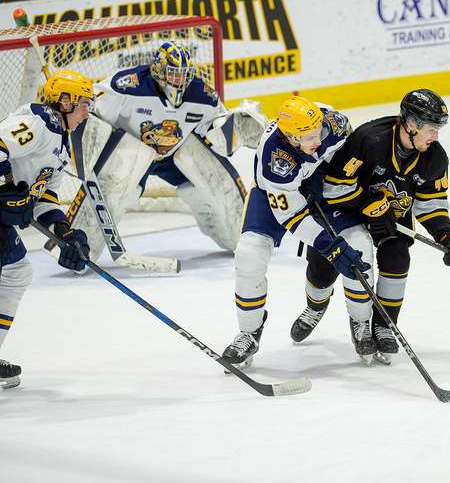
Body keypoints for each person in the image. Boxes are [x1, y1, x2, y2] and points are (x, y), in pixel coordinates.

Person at [290, 89, 450, 363]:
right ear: (411, 124)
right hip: (346, 209)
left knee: (398, 256)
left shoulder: (435, 158)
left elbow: (430, 203)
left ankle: (383, 325)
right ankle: (315, 306)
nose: (436, 136)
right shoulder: (369, 139)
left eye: (437, 129)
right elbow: (334, 186)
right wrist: (367, 203)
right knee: (324, 265)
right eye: (431, 128)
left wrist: (447, 236)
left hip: (389, 216)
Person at [67, 40, 267, 261]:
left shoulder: (203, 96)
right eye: (173, 73)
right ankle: (77, 245)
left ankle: (239, 236)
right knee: (116, 191)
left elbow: (216, 133)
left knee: (207, 190)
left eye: (183, 74)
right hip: (132, 155)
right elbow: (90, 109)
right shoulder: (127, 85)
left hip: (174, 156)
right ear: (159, 70)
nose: (179, 80)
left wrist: (237, 127)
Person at [222, 95, 375, 368]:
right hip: (274, 197)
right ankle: (248, 333)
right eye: (308, 137)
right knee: (249, 255)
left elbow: (349, 156)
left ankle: (361, 321)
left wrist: (338, 184)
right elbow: (293, 216)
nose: (317, 140)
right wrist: (330, 246)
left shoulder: (333, 124)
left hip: (323, 188)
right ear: (290, 137)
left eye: (319, 132)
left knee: (360, 245)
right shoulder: (275, 160)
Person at [0, 70, 94, 388]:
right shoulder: (39, 121)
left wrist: (66, 233)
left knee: (16, 271)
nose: (86, 112)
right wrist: (5, 188)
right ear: (64, 101)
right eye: (83, 104)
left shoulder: (61, 145)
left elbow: (45, 198)